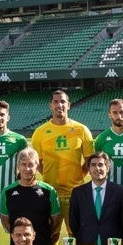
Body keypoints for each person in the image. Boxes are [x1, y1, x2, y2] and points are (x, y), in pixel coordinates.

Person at [31, 88, 95, 232]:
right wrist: (49, 175)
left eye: (63, 102)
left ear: (69, 105)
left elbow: (90, 161)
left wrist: (79, 176)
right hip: (50, 193)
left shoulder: (82, 130)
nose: (59, 105)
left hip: (76, 193)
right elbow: (38, 164)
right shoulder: (40, 132)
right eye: (56, 102)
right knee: (50, 236)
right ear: (50, 105)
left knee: (77, 235)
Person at [3, 147, 62, 245]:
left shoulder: (49, 191)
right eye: (24, 164)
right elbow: (6, 221)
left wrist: (43, 236)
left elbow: (56, 222)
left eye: (31, 165)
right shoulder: (7, 192)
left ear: (37, 166)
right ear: (18, 167)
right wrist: (20, 238)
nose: (27, 169)